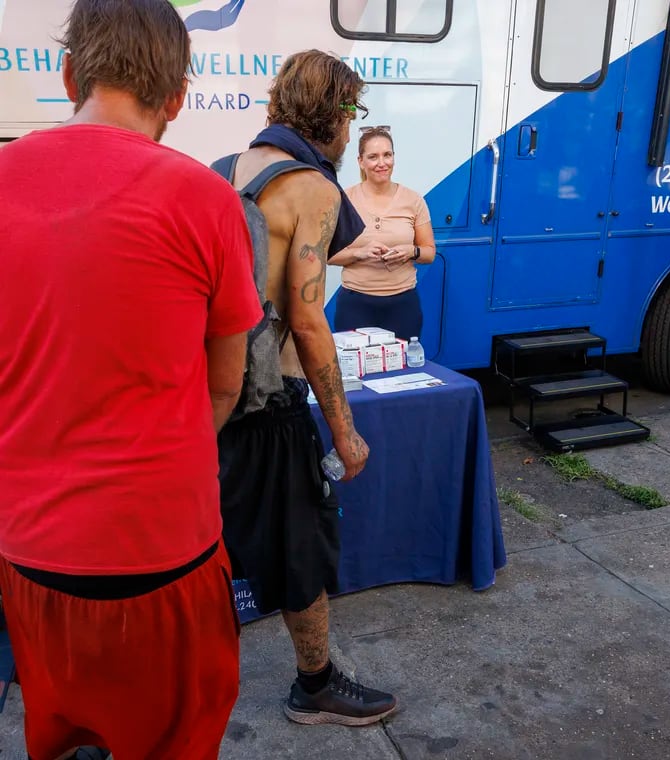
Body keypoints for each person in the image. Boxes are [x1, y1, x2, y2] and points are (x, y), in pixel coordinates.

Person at [0, 0, 262, 757]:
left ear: (68, 72)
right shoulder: (206, 200)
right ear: (176, 98)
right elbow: (225, 386)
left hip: (32, 548)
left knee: (55, 731)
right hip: (163, 553)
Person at [216, 50, 397, 725]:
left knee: (212, 551)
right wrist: (346, 432)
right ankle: (315, 684)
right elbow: (308, 318)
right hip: (273, 405)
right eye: (351, 115)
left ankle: (174, 690)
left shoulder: (226, 170)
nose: (353, 132)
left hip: (215, 400)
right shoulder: (314, 187)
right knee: (303, 545)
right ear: (335, 115)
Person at [330, 126, 436, 340]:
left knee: (402, 369)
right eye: (373, 157)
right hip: (355, 304)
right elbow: (329, 256)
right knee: (356, 372)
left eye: (387, 155)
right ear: (360, 161)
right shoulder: (343, 200)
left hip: (403, 304)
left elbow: (429, 253)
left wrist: (411, 251)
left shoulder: (413, 200)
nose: (382, 163)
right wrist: (359, 253)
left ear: (394, 157)